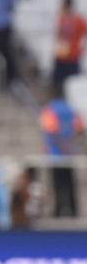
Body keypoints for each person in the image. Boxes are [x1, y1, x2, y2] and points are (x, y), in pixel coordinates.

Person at [40, 83, 84, 218]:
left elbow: (51, 131)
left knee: (58, 183)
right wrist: (69, 144)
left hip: (56, 154)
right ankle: (73, 209)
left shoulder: (50, 110)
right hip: (70, 153)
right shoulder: (71, 109)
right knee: (70, 182)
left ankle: (59, 210)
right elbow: (80, 128)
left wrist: (61, 145)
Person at [52, 0, 87, 89]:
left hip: (72, 56)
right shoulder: (61, 18)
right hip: (61, 54)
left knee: (72, 84)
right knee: (57, 82)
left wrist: (81, 48)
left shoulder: (78, 20)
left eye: (62, 5)